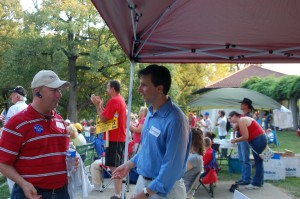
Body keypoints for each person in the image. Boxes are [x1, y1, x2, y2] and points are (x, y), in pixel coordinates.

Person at [112, 64, 191, 199]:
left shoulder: (176, 121)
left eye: (144, 85)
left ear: (159, 88)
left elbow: (170, 170)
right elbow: (148, 150)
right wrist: (128, 165)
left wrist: (144, 194)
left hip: (166, 191)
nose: (139, 89)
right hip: (145, 183)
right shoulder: (150, 112)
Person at [0, 70, 77, 199]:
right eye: (54, 90)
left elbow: (60, 155)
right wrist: (23, 184)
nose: (59, 95)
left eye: (60, 90)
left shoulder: (60, 121)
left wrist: (72, 161)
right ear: (37, 92)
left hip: (62, 192)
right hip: (31, 193)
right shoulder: (17, 123)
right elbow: (3, 163)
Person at [91, 80, 126, 199]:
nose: (106, 89)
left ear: (112, 88)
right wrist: (100, 105)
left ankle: (118, 193)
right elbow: (106, 115)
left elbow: (102, 119)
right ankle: (118, 193)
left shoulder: (114, 100)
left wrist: (96, 105)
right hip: (116, 138)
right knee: (114, 165)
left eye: (107, 87)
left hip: (114, 138)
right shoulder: (118, 100)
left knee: (114, 166)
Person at [229, 111, 267, 190]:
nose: (230, 120)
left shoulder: (242, 120)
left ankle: (256, 183)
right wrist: (234, 129)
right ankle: (259, 181)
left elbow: (245, 136)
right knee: (259, 161)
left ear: (235, 116)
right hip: (259, 138)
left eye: (230, 118)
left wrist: (235, 140)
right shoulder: (242, 120)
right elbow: (239, 133)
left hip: (258, 139)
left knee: (258, 162)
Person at [4, 86, 29, 194]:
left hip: (15, 147)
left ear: (17, 96)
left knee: (13, 179)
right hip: (27, 147)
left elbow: (6, 130)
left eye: (12, 95)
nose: (11, 97)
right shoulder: (28, 107)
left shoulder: (13, 109)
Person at [235, 98, 253, 186]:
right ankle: (244, 178)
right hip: (240, 138)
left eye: (242, 104)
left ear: (246, 105)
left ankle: (247, 179)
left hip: (244, 139)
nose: (241, 105)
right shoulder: (244, 115)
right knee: (242, 160)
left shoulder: (248, 116)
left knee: (245, 159)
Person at [183, 128, 203, 192]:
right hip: (181, 185)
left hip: (183, 187)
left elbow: (179, 172)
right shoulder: (193, 155)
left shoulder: (195, 158)